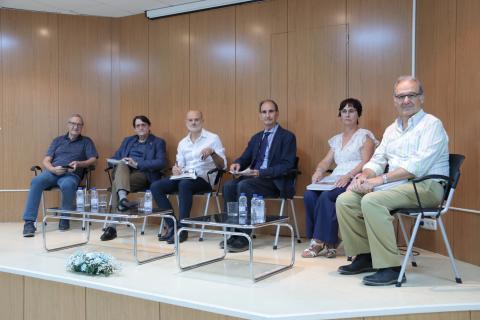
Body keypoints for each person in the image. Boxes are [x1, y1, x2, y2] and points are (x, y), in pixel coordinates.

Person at [336, 76, 449, 286]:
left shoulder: (432, 125)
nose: (406, 100)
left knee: (372, 200)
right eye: (401, 96)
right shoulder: (391, 129)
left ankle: (391, 268)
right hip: (399, 186)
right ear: (394, 100)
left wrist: (380, 179)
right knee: (346, 200)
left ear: (421, 98)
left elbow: (417, 167)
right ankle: (366, 256)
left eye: (411, 95)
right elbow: (378, 159)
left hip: (427, 186)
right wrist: (365, 175)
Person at [302, 98, 377, 259]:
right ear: (340, 115)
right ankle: (330, 241)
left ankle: (319, 241)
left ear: (358, 114)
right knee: (309, 194)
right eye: (344, 111)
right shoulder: (336, 139)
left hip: (356, 177)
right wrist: (319, 171)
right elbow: (326, 161)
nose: (347, 114)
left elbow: (366, 162)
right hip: (336, 177)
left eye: (352, 111)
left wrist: (348, 175)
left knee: (326, 196)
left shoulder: (365, 136)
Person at [222, 99, 297, 252]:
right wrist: (237, 164)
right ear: (260, 115)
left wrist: (262, 172)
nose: (267, 115)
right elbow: (245, 158)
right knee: (228, 186)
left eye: (270, 111)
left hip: (273, 181)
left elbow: (287, 165)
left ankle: (244, 236)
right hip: (254, 178)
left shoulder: (287, 137)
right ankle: (234, 232)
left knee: (244, 185)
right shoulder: (257, 138)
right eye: (264, 112)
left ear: (277, 114)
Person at [150, 110, 226, 244]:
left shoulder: (213, 138)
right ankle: (173, 225)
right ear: (186, 122)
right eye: (190, 120)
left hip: (204, 179)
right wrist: (176, 169)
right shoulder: (182, 143)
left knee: (184, 184)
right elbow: (179, 165)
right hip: (184, 178)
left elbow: (223, 165)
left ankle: (183, 229)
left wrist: (212, 153)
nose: (193, 122)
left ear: (202, 121)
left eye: (196, 119)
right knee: (156, 186)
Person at [22, 114, 98, 237]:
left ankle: (64, 217)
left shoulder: (86, 141)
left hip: (71, 174)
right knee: (36, 181)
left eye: (79, 124)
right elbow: (46, 160)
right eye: (73, 123)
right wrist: (53, 169)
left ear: (82, 127)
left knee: (68, 185)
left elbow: (93, 159)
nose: (76, 126)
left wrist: (79, 163)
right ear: (68, 125)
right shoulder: (58, 140)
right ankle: (29, 222)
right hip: (53, 172)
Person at [100, 115, 167, 241]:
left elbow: (161, 162)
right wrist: (120, 161)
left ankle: (112, 226)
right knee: (121, 165)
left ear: (149, 126)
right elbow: (115, 158)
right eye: (138, 126)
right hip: (124, 173)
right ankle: (123, 200)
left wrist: (137, 164)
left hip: (144, 174)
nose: (141, 128)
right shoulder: (128, 141)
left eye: (143, 125)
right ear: (134, 129)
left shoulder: (158, 142)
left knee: (117, 185)